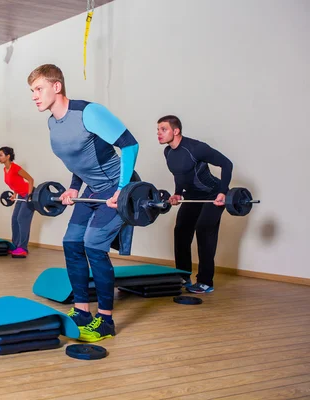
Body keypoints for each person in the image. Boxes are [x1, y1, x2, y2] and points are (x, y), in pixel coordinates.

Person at [28, 64, 139, 342]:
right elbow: (79, 159)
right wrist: (73, 188)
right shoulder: (53, 121)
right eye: (32, 91)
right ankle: (82, 311)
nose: (34, 96)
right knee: (72, 243)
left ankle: (106, 320)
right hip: (91, 189)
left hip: (117, 187)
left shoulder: (88, 112)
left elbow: (130, 144)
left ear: (57, 86)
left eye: (39, 88)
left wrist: (123, 189)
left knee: (93, 245)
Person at [157, 115, 233, 294]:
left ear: (176, 131)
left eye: (163, 129)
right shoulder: (168, 152)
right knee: (181, 230)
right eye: (158, 130)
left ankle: (206, 281)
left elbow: (227, 164)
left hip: (212, 195)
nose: (159, 134)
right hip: (192, 196)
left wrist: (223, 191)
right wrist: (177, 193)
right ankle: (183, 275)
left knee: (204, 229)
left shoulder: (196, 148)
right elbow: (180, 175)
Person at [0, 146, 35, 258]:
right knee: (14, 219)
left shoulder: (15, 168)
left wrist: (29, 195)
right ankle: (15, 245)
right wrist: (14, 194)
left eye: (1, 155)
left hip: (28, 194)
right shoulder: (5, 169)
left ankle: (23, 248)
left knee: (22, 219)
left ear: (8, 156)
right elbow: (14, 183)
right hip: (20, 195)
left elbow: (30, 180)